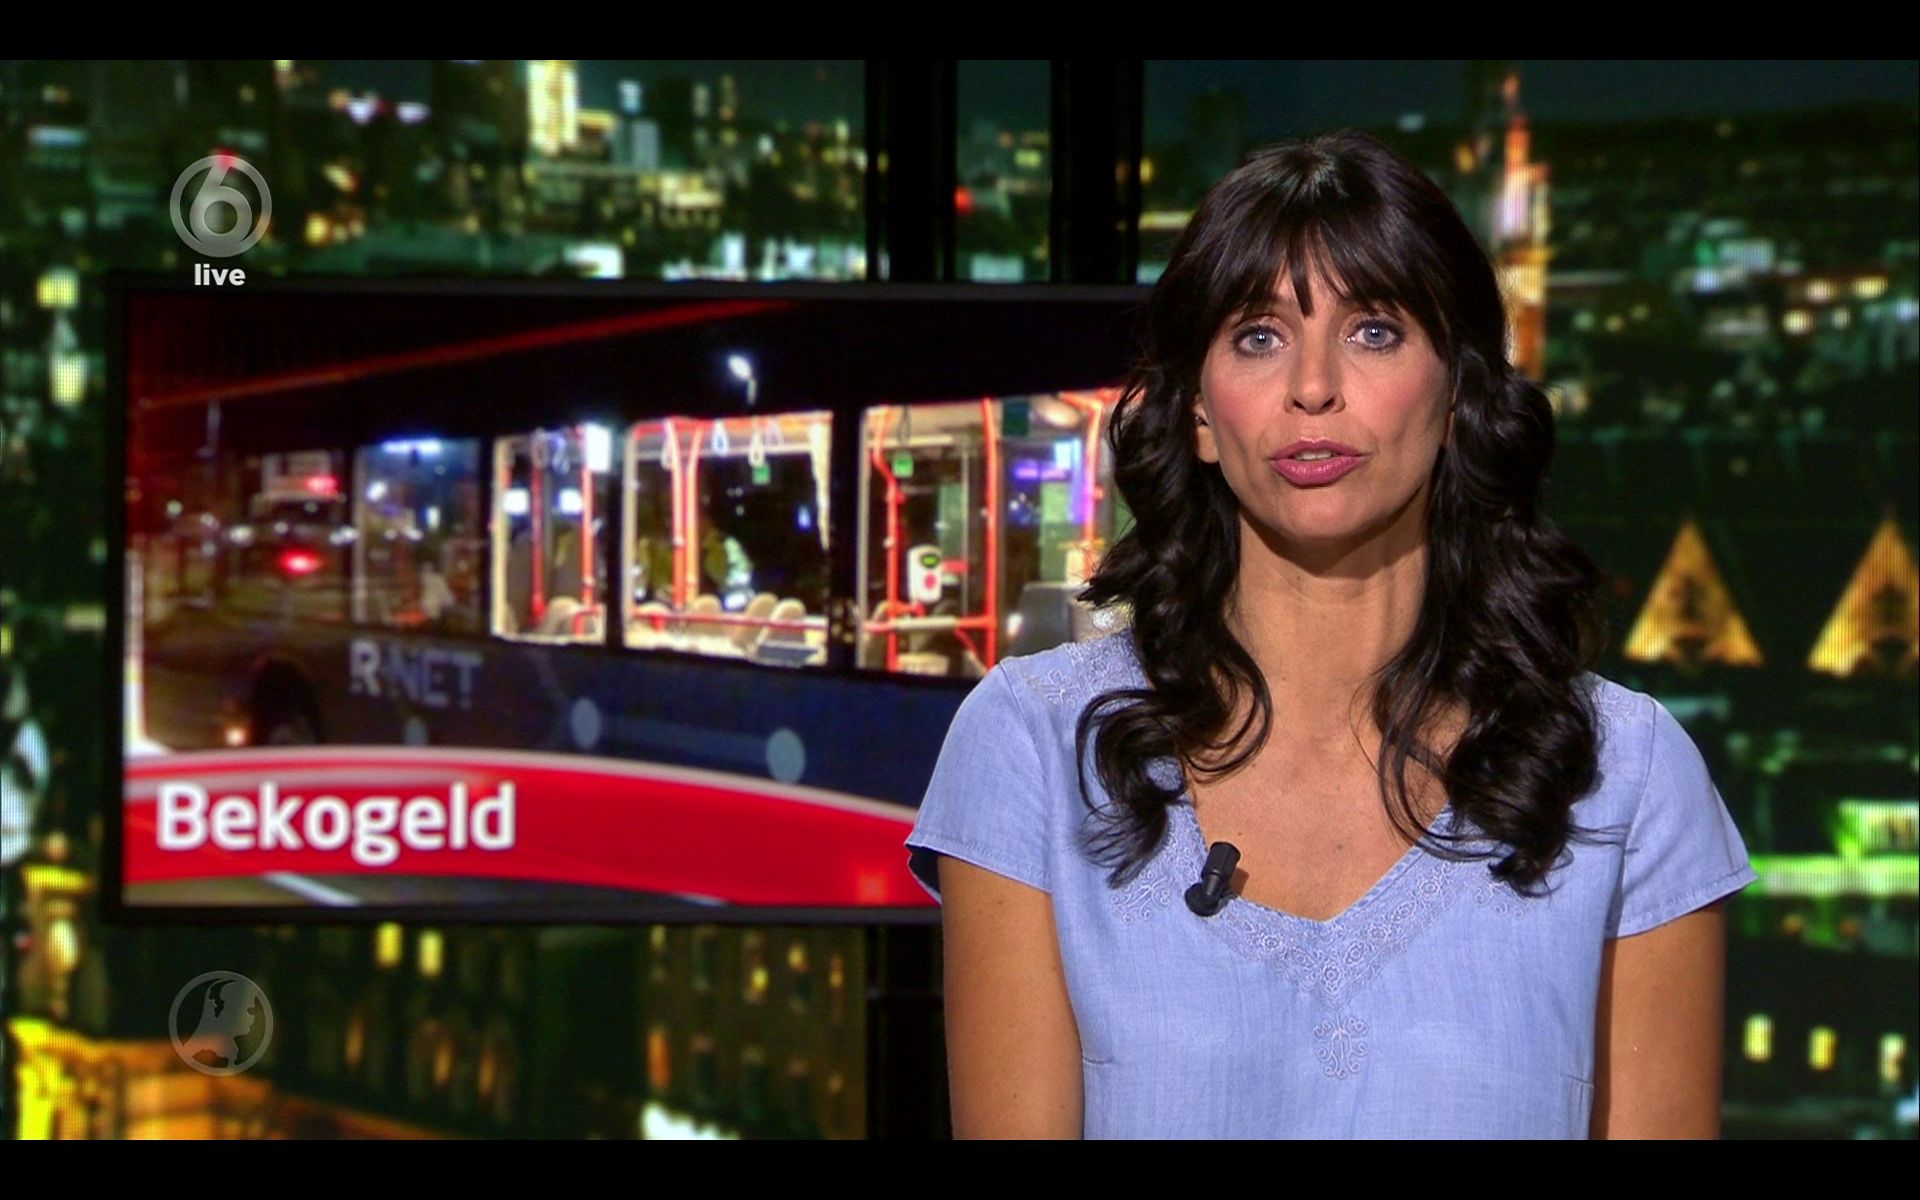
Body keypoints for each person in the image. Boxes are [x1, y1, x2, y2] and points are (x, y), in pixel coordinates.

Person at [903, 129, 1757, 1140]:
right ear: (1199, 414)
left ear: (1458, 396)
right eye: (1258, 337)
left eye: (1375, 331)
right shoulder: (1035, 748)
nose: (1313, 386)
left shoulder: (1625, 775)